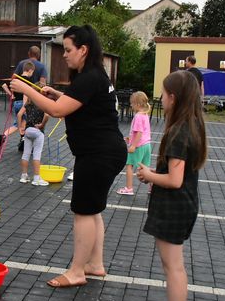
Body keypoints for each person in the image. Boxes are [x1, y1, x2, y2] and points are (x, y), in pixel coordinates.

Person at [10, 25, 126, 287]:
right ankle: (95, 263)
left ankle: (76, 272)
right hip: (105, 151)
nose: (64, 54)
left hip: (98, 154)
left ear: (83, 50)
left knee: (83, 212)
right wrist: (58, 93)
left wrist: (27, 90)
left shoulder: (89, 78)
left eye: (68, 49)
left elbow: (58, 111)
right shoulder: (95, 76)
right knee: (93, 210)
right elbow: (79, 103)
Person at [137, 70, 207, 301]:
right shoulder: (191, 124)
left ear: (173, 98)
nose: (161, 98)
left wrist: (149, 175)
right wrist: (157, 173)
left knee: (173, 268)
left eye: (164, 94)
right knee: (174, 267)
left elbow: (174, 180)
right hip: (181, 204)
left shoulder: (179, 131)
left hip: (174, 206)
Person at [116, 91, 152, 195]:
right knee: (146, 168)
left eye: (132, 103)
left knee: (129, 165)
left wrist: (133, 145)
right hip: (147, 145)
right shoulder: (144, 115)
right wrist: (129, 139)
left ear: (137, 104)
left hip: (139, 146)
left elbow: (139, 132)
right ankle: (152, 187)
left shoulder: (138, 116)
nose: (131, 105)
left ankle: (129, 188)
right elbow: (141, 132)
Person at [0, 61, 36, 150]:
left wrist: (11, 95)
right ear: (30, 70)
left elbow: (4, 86)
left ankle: (4, 136)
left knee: (17, 125)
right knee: (25, 124)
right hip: (24, 103)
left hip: (16, 103)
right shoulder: (29, 80)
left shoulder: (16, 79)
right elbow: (26, 93)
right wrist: (25, 106)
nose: (32, 74)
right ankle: (24, 142)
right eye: (32, 72)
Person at [17, 98, 49, 186]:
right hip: (38, 131)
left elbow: (19, 114)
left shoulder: (28, 103)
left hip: (28, 130)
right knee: (37, 155)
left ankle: (23, 176)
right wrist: (42, 125)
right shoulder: (43, 102)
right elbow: (46, 115)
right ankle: (36, 178)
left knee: (26, 153)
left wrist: (20, 128)